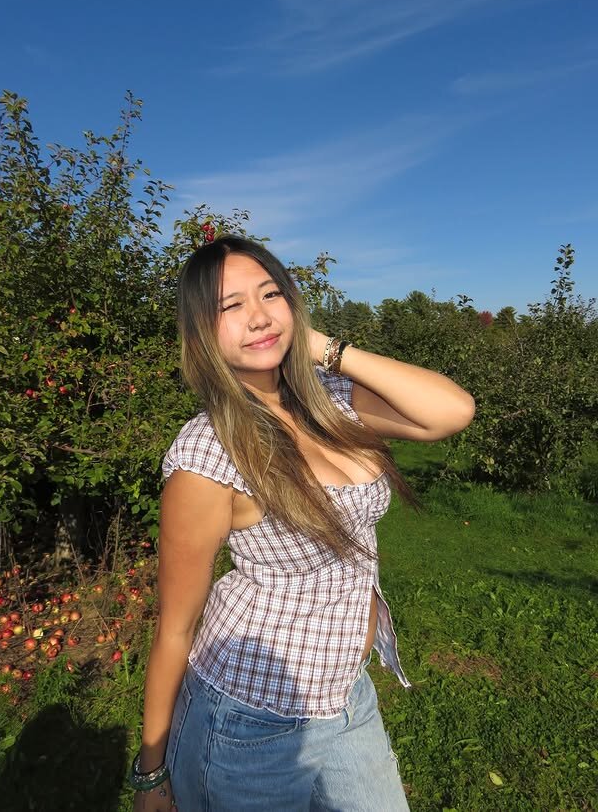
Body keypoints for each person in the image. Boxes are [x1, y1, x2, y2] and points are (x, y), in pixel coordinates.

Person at [130, 234, 475, 811]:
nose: (259, 316)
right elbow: (175, 627)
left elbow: (452, 411)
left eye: (271, 294)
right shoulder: (209, 453)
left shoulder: (331, 401)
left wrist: (323, 349)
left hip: (347, 697)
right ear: (201, 332)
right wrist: (150, 773)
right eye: (230, 305)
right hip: (246, 722)